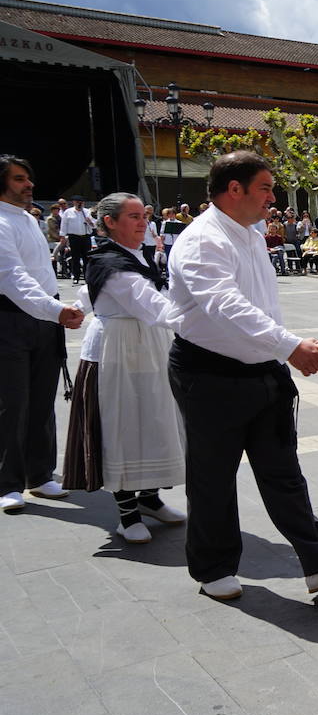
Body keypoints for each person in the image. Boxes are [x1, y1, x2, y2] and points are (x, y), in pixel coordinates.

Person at [166, 150, 318, 600]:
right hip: (210, 374)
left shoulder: (252, 234)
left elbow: (261, 306)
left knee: (283, 470)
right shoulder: (202, 241)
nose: (272, 198)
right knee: (213, 474)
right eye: (265, 188)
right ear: (233, 189)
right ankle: (213, 569)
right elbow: (225, 306)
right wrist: (290, 346)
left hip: (264, 369)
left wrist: (287, 346)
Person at [62, 194, 187, 543]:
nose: (142, 222)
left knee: (153, 419)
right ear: (110, 222)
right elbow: (151, 304)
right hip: (117, 349)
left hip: (149, 345)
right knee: (122, 424)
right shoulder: (112, 262)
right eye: (133, 216)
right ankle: (127, 512)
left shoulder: (133, 255)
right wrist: (205, 321)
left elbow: (90, 292)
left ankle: (149, 498)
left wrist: (78, 307)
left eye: (143, 215)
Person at [0, 155, 85, 511]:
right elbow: (12, 277)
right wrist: (55, 310)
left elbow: (41, 274)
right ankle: (7, 482)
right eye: (19, 178)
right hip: (10, 321)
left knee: (42, 400)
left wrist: (56, 309)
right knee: (12, 403)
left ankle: (39, 475)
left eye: (28, 178)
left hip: (44, 321)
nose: (29, 184)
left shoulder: (26, 219)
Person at [60, 196, 97, 281]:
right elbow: (64, 224)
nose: (80, 204)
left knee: (86, 257)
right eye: (77, 202)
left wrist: (90, 222)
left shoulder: (87, 212)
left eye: (81, 202)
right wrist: (62, 236)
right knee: (75, 257)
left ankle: (86, 276)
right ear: (74, 202)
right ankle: (76, 276)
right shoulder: (68, 212)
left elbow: (94, 225)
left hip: (85, 236)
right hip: (74, 237)